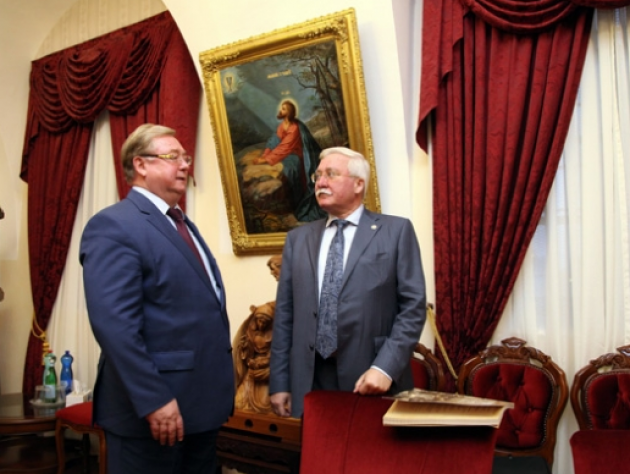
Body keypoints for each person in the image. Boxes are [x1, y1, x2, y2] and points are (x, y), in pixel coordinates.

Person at [80, 124, 234, 473]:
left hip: (199, 409)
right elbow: (115, 326)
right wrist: (154, 399)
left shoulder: (181, 224)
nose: (185, 165)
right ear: (141, 164)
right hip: (153, 412)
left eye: (186, 158)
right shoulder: (114, 225)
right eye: (172, 156)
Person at [269, 146, 426, 418]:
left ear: (358, 184)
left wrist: (385, 367)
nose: (320, 182)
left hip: (371, 377)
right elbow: (285, 314)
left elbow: (413, 308)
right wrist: (280, 381)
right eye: (318, 175)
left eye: (331, 174)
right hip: (310, 379)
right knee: (317, 447)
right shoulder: (298, 239)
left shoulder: (395, 232)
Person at [254, 100, 326, 222]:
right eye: (281, 108)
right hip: (285, 155)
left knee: (289, 169)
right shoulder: (282, 126)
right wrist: (265, 155)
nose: (281, 111)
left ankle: (296, 204)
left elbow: (285, 147)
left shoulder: (294, 127)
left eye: (284, 109)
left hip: (298, 156)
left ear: (290, 112)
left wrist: (266, 159)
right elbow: (273, 142)